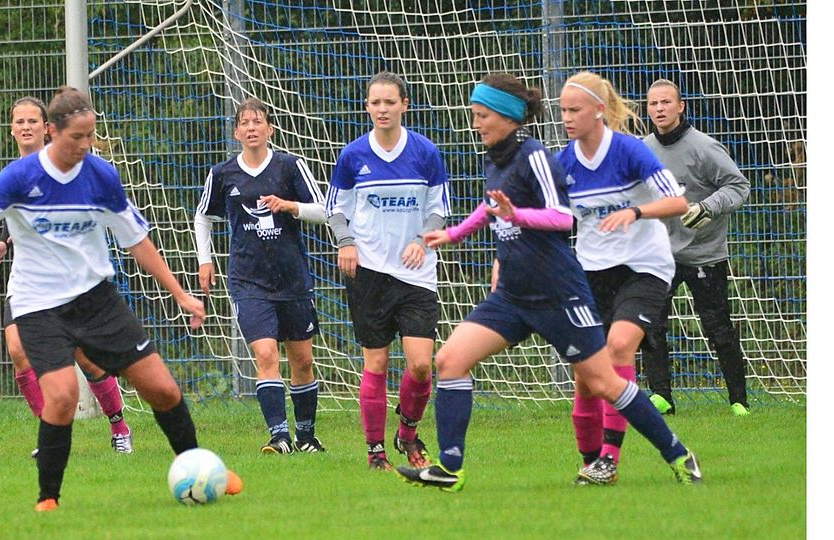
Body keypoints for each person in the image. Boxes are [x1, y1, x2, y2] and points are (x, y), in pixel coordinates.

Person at [395, 73, 700, 492]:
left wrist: (517, 216)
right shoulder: (496, 155)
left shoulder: (536, 156)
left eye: (482, 114)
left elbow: (560, 218)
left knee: (604, 381)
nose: (476, 122)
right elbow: (491, 208)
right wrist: (454, 235)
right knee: (449, 361)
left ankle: (677, 453)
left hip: (557, 292)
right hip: (513, 295)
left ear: (506, 115)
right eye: (474, 114)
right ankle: (450, 468)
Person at [0, 86, 240, 512]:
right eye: (77, 137)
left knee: (161, 388)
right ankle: (48, 498)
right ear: (52, 132)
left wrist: (180, 293)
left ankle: (199, 469)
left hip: (96, 301)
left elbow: (137, 241)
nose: (86, 145)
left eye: (91, 136)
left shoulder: (101, 175)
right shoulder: (21, 177)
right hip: (39, 306)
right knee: (63, 396)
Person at [556, 71, 689, 485]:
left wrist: (635, 211)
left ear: (599, 110)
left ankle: (609, 458)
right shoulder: (563, 162)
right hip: (592, 273)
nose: (566, 118)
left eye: (574, 110)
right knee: (585, 375)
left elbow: (678, 201)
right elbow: (554, 220)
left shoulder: (630, 151)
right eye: (562, 110)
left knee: (617, 349)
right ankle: (592, 460)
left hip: (644, 267)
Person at [0, 96, 134, 456]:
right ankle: (47, 436)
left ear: (47, 127)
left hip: (70, 282)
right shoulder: (12, 174)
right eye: (18, 121)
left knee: (86, 358)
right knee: (18, 349)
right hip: (28, 284)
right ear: (11, 129)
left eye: (32, 120)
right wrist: (5, 243)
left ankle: (119, 426)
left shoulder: (66, 167)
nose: (25, 127)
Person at [326, 71, 451, 470]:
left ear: (404, 105)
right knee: (375, 362)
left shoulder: (426, 152)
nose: (382, 109)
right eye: (375, 103)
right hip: (370, 273)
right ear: (368, 107)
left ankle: (408, 433)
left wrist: (423, 237)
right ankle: (375, 450)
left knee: (420, 364)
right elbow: (336, 209)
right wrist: (346, 243)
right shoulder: (353, 156)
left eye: (390, 102)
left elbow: (439, 208)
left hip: (416, 274)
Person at [194, 97, 327, 454]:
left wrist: (290, 206)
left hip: (293, 279)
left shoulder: (290, 166)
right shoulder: (223, 174)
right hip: (248, 282)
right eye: (245, 122)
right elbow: (203, 216)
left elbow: (325, 210)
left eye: (258, 121)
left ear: (269, 129)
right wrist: (205, 260)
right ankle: (279, 436)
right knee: (266, 354)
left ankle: (306, 436)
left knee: (303, 360)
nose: (251, 127)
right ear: (236, 131)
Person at [641, 78, 751, 416]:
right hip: (661, 255)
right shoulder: (643, 148)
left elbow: (739, 186)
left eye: (665, 102)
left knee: (717, 327)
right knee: (652, 324)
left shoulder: (704, 148)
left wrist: (707, 207)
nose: (659, 109)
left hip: (705, 254)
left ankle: (738, 400)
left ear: (680, 106)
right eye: (653, 104)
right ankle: (661, 396)